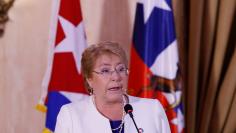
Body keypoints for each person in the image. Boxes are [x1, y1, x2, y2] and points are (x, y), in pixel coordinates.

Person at [54, 42, 171, 133]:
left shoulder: (152, 110)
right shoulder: (71, 115)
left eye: (121, 69)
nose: (116, 76)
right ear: (89, 79)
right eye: (105, 70)